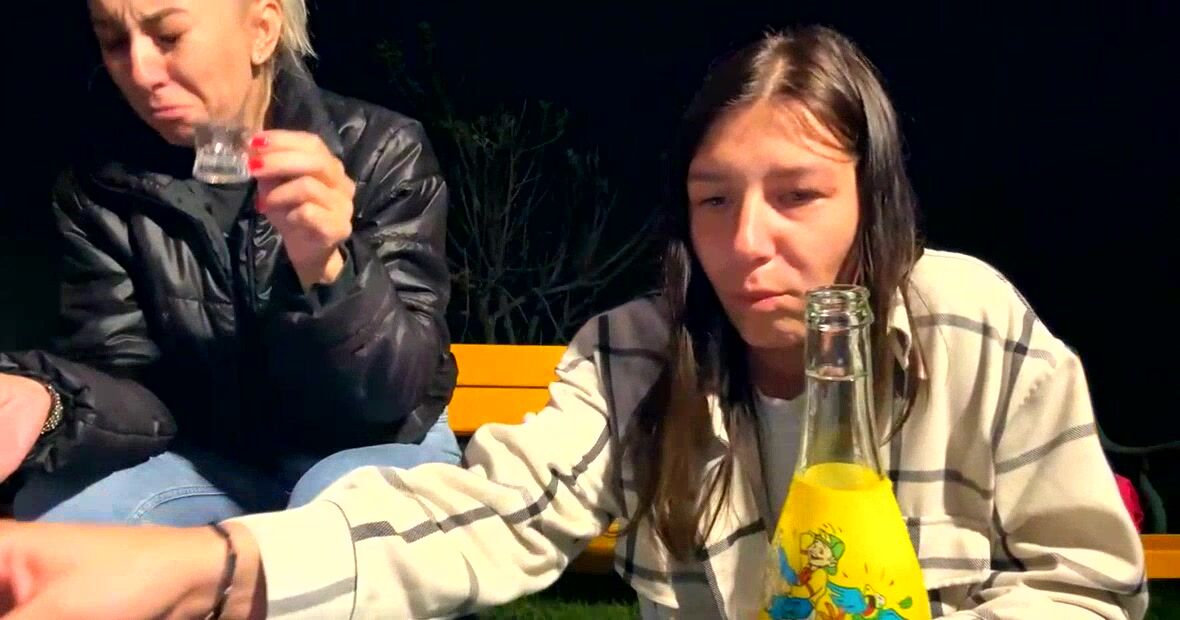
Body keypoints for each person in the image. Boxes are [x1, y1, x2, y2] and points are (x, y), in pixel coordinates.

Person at [0, 24, 1146, 620]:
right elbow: (489, 506)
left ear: (873, 197)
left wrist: (330, 268)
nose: (747, 240)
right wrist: (209, 564)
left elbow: (1092, 579)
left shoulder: (974, 327)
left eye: (798, 195)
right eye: (712, 199)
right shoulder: (640, 354)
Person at [0, 0, 461, 524]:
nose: (139, 71)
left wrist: (329, 268)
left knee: (337, 514)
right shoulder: (101, 185)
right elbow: (127, 377)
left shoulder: (380, 150)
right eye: (113, 41)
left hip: (373, 448)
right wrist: (51, 401)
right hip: (220, 462)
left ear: (262, 30)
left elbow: (393, 395)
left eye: (168, 36)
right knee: (63, 514)